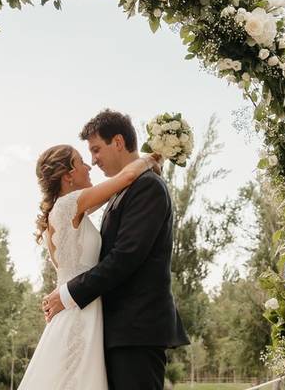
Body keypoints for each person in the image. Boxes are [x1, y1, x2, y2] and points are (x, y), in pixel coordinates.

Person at [41, 109, 189, 390]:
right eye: (87, 157)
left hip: (136, 330)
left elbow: (126, 256)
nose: (93, 161)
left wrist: (68, 293)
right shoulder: (116, 192)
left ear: (118, 142)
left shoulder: (148, 187)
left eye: (96, 150)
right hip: (108, 329)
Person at [18, 139, 159, 389]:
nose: (89, 167)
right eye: (82, 162)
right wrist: (155, 156)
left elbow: (114, 192)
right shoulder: (69, 205)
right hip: (80, 315)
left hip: (75, 308)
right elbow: (126, 177)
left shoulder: (66, 211)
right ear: (68, 175)